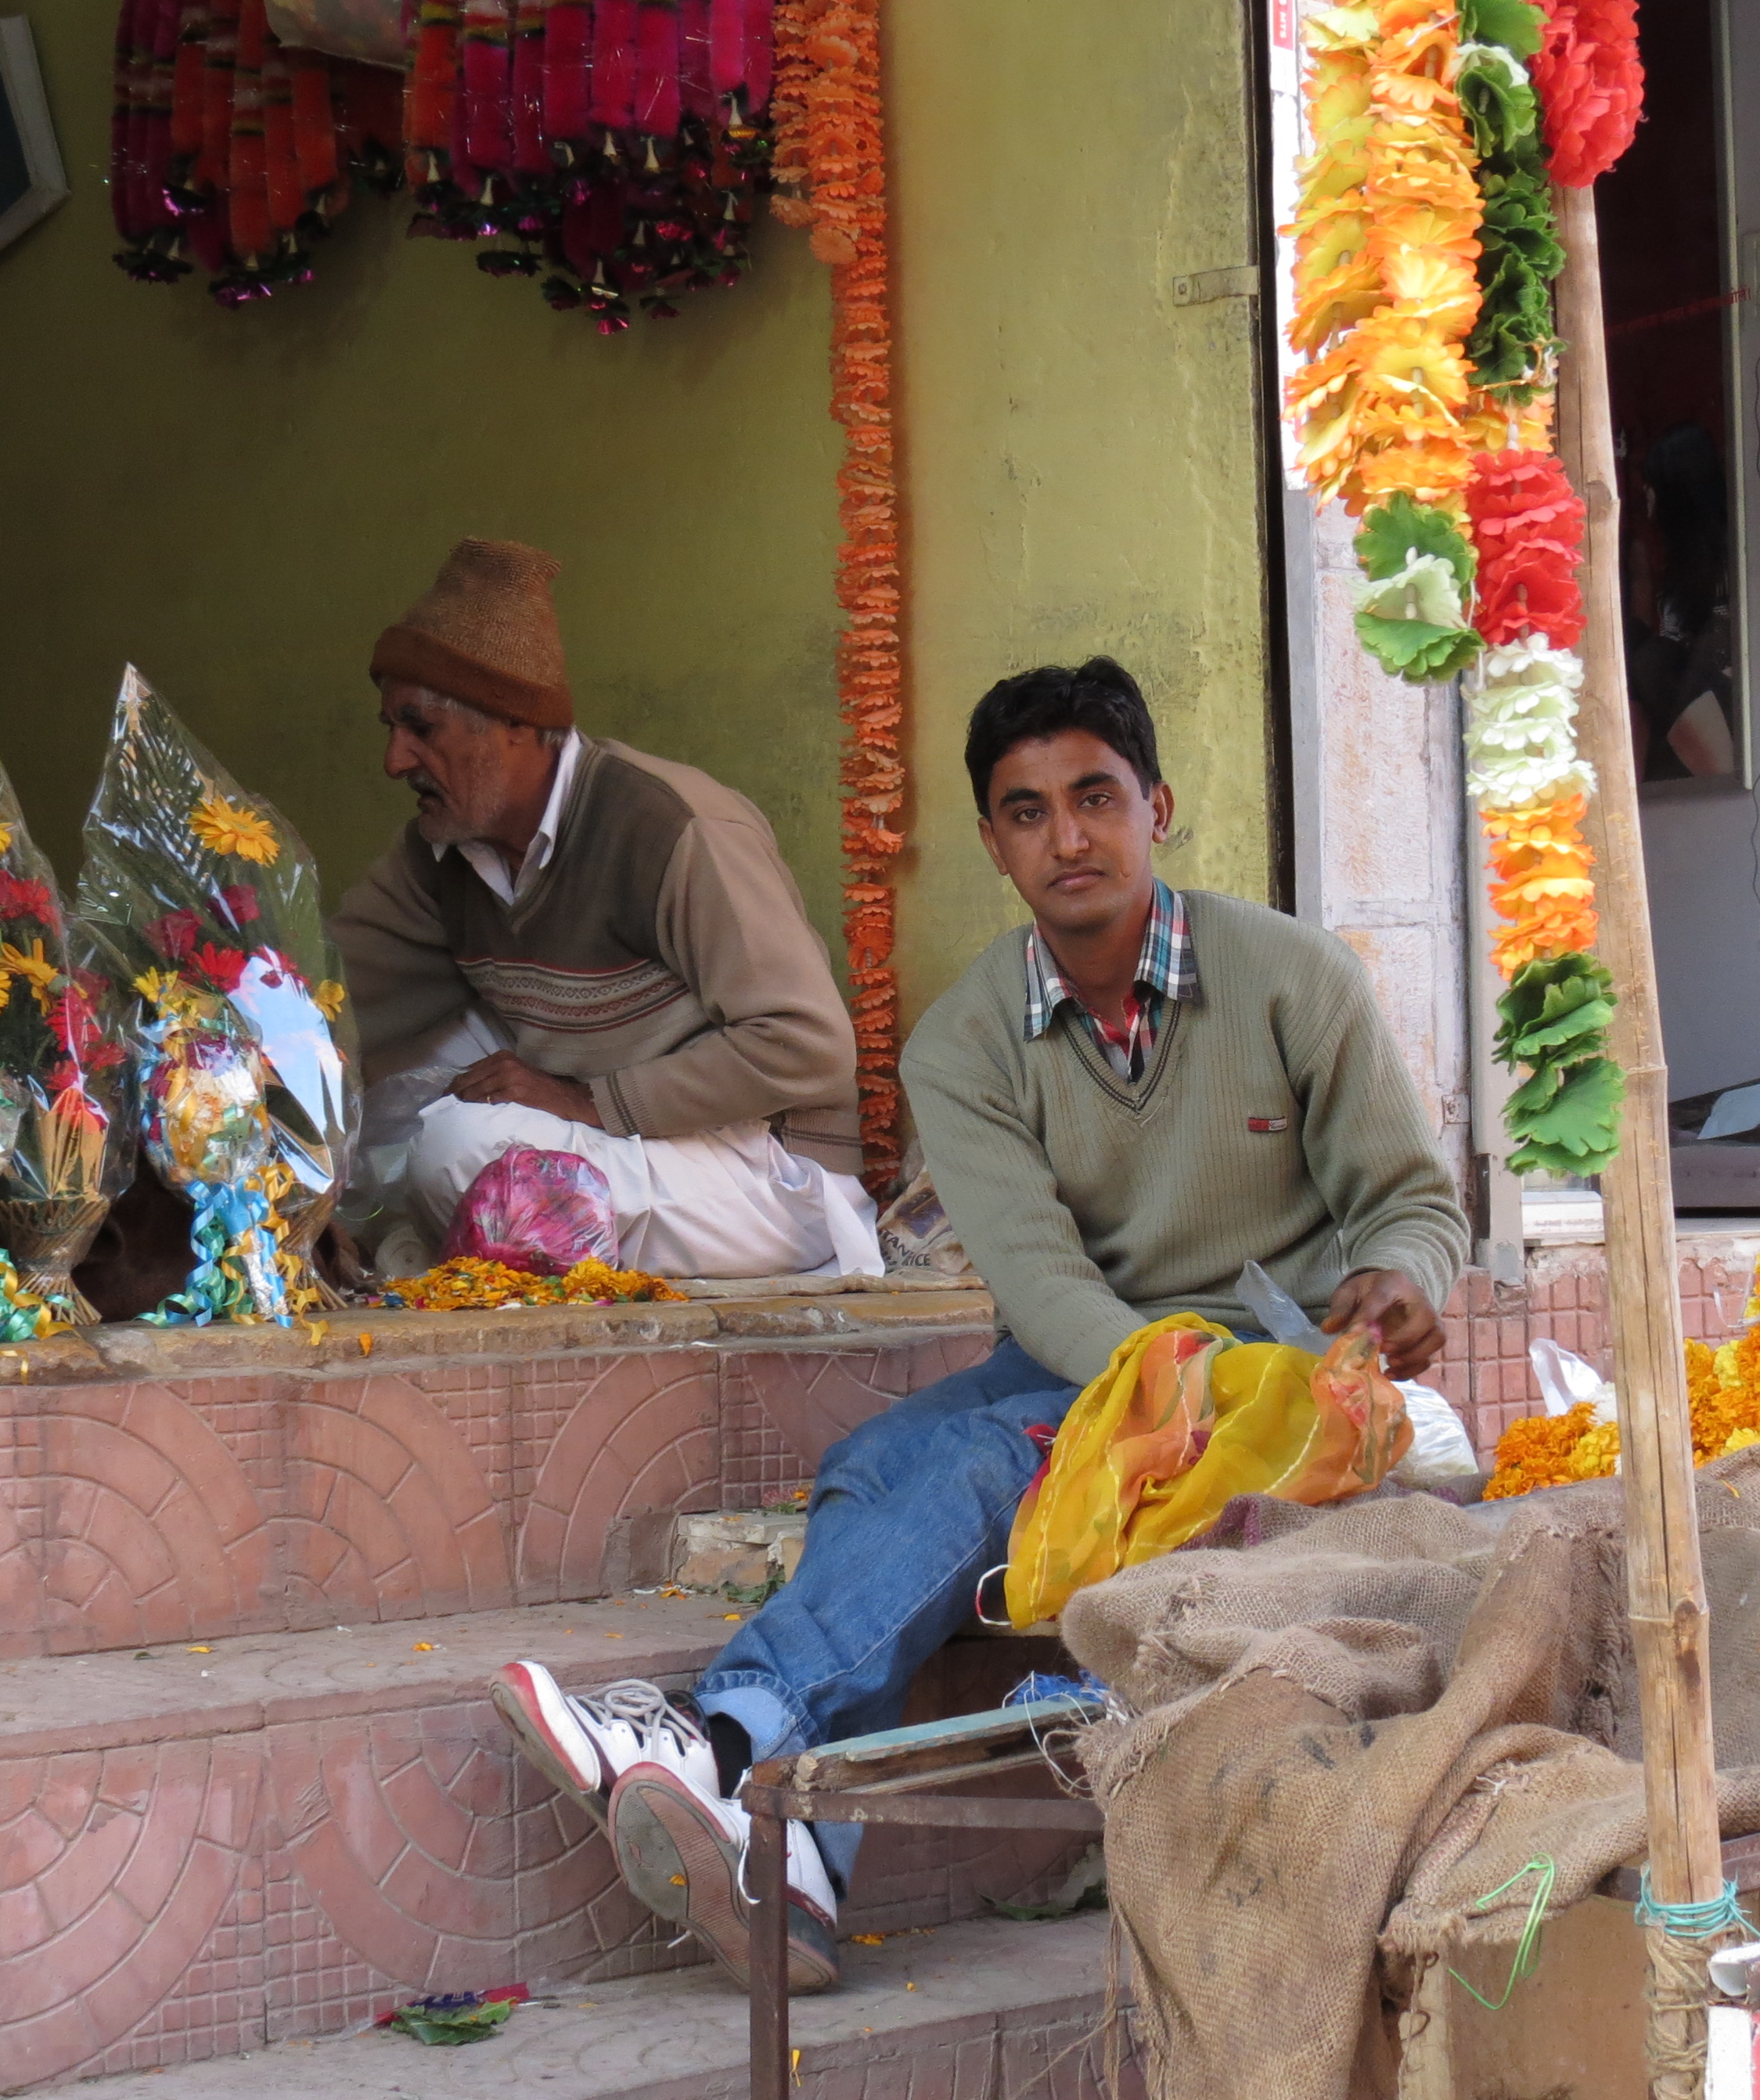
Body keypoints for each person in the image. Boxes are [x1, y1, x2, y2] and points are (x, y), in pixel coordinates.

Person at [488, 655, 1468, 1993]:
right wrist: (1146, 1388)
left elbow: (1409, 1202)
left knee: (952, 1462)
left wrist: (1405, 1278)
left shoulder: (1295, 979)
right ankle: (797, 1841)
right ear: (996, 843)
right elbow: (1042, 1281)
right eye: (1025, 811)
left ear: (1157, 807)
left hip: (1278, 1387)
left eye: (1095, 796)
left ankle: (727, 1749)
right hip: (1088, 1358)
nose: (1067, 836)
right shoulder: (961, 1047)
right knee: (881, 1462)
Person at [329, 538, 880, 1278]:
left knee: (454, 1148)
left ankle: (459, 1261)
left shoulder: (671, 827)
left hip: (765, 1176)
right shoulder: (441, 854)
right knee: (374, 1086)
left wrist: (588, 1100)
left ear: (512, 723)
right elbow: (327, 985)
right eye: (390, 730)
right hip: (610, 1148)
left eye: (419, 728)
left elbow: (806, 1044)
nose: (395, 760)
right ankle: (449, 1253)